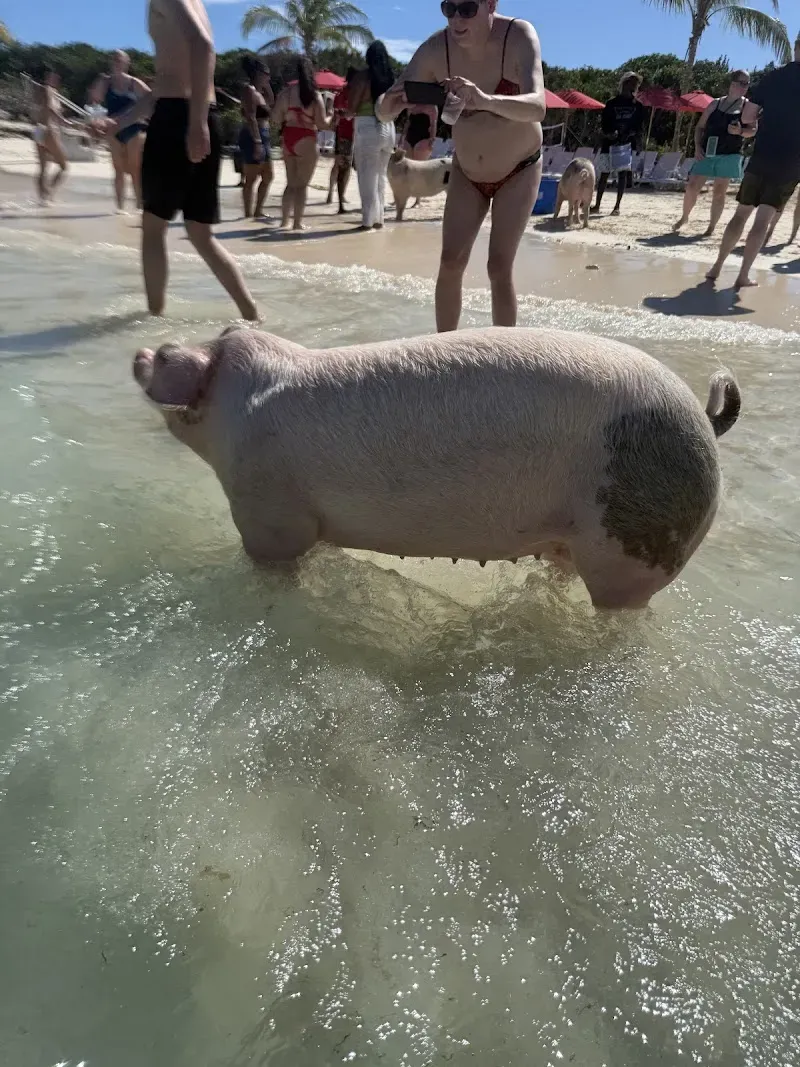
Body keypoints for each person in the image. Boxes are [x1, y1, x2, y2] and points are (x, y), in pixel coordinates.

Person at [376, 1, 545, 331]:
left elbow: (538, 106)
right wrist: (390, 105)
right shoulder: (436, 49)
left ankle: (505, 361)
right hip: (467, 171)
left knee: (499, 266)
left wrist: (483, 99)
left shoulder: (519, 35)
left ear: (490, 5)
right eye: (448, 7)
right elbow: (384, 108)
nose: (456, 18)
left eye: (467, 8)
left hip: (519, 168)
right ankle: (446, 356)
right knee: (450, 262)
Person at [100, 0, 257, 319]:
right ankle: (252, 316)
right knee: (200, 234)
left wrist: (195, 123)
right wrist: (121, 121)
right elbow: (167, 84)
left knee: (153, 225)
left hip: (180, 120)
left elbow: (203, 46)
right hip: (194, 114)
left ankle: (153, 319)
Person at [707, 34, 800, 288]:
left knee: (741, 213)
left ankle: (716, 267)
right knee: (763, 219)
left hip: (762, 155)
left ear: (795, 48)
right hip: (791, 162)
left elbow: (748, 116)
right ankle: (742, 275)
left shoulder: (773, 76)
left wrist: (763, 115)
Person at [673, 70, 752, 235]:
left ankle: (711, 227)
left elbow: (753, 131)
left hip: (730, 153)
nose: (745, 87)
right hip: (708, 152)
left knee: (719, 191)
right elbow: (700, 127)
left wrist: (739, 132)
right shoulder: (715, 104)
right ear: (732, 84)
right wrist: (697, 146)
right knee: (692, 186)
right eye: (742, 83)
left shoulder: (747, 106)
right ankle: (685, 217)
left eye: (747, 83)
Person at [272, 58, 331, 231]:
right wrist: (331, 114)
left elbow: (275, 118)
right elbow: (322, 124)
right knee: (301, 185)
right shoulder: (314, 95)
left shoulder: (286, 93)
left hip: (288, 137)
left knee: (290, 184)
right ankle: (297, 223)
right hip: (306, 137)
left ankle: (284, 222)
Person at [89, 51, 150, 212]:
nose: (115, 62)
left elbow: (151, 100)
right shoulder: (106, 82)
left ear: (126, 63)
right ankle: (120, 209)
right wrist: (98, 121)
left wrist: (140, 115)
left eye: (119, 59)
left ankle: (140, 206)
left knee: (135, 168)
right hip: (113, 130)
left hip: (134, 128)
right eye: (113, 59)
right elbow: (94, 102)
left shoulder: (134, 83)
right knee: (118, 169)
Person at [349, 41, 397, 231]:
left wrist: (345, 112)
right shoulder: (390, 79)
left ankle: (367, 222)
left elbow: (353, 105)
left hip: (367, 125)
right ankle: (379, 220)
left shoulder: (363, 76)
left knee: (366, 176)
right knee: (380, 176)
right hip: (388, 126)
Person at [592, 72, 645, 216]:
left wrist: (636, 140)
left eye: (636, 83)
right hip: (609, 143)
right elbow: (603, 125)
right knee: (604, 174)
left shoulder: (638, 106)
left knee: (622, 174)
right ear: (625, 83)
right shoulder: (611, 103)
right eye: (632, 82)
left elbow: (639, 127)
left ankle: (617, 206)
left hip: (625, 144)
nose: (634, 86)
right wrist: (608, 134)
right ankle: (597, 205)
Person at [238, 56, 275, 219]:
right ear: (259, 73)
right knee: (251, 178)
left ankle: (258, 210)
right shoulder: (249, 90)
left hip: (264, 135)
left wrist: (267, 86)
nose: (269, 77)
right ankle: (248, 213)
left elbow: (272, 103)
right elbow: (251, 116)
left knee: (268, 175)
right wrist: (257, 141)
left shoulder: (260, 93)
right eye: (267, 74)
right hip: (253, 135)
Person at [31, 65, 69, 203]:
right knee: (64, 166)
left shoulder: (40, 91)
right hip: (49, 130)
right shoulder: (49, 90)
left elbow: (41, 110)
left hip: (38, 130)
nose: (57, 80)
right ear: (49, 77)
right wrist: (64, 121)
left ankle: (42, 199)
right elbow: (50, 108)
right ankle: (49, 192)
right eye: (55, 77)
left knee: (43, 168)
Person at [326, 67, 357, 214]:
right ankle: (338, 199)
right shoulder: (344, 94)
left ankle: (335, 195)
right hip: (346, 135)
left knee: (342, 167)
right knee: (343, 168)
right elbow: (339, 113)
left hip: (348, 134)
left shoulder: (345, 94)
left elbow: (337, 114)